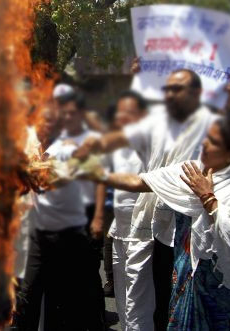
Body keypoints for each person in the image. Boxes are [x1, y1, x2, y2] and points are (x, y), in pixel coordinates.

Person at [74, 69, 219, 330]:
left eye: (179, 89)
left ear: (197, 94)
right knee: (146, 298)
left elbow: (145, 181)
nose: (170, 94)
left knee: (181, 303)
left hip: (189, 229)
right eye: (168, 89)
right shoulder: (159, 127)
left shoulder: (208, 131)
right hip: (155, 227)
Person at [91, 117, 230, 329]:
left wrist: (207, 197)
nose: (204, 144)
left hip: (227, 295)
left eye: (213, 141)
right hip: (191, 283)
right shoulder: (192, 171)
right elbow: (138, 181)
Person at [15, 99, 105, 330]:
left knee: (62, 292)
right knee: (29, 288)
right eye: (42, 120)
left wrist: (97, 218)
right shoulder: (28, 143)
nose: (45, 124)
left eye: (50, 120)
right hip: (37, 226)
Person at [104, 91, 152, 331]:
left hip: (141, 232)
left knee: (136, 300)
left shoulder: (150, 144)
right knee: (122, 296)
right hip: (119, 230)